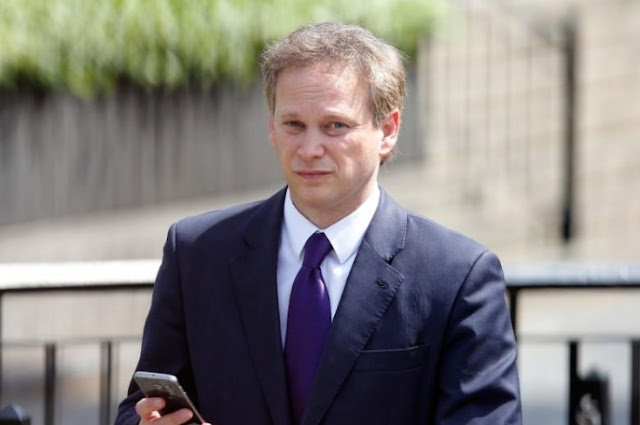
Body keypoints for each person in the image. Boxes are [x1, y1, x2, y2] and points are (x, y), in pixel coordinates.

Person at [115, 22, 521, 425]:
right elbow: (139, 407)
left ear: (388, 130)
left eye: (335, 126)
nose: (310, 149)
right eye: (294, 125)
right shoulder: (197, 253)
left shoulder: (457, 276)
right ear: (272, 127)